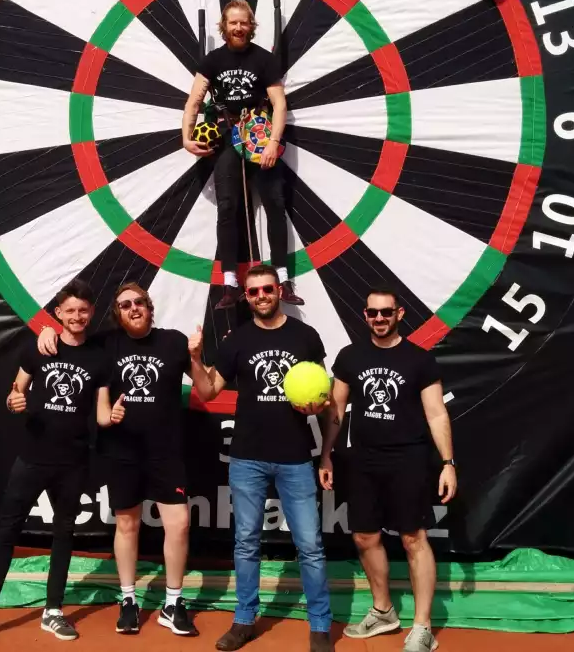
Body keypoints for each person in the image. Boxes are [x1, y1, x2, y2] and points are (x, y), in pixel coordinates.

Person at [0, 279, 110, 647]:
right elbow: (15, 392)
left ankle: (53, 611)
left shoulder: (99, 357)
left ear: (91, 312)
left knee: (64, 535)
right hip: (32, 458)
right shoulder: (38, 350)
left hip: (73, 462)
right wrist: (13, 401)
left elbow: (100, 414)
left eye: (83, 310)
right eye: (70, 311)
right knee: (6, 534)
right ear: (58, 314)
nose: (77, 316)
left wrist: (114, 415)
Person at [37, 283, 209, 637]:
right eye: (125, 304)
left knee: (178, 525)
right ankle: (128, 599)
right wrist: (46, 330)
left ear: (149, 306)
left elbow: (206, 391)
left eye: (139, 302)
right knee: (127, 525)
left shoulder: (174, 342)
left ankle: (173, 603)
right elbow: (71, 338)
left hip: (166, 451)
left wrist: (196, 356)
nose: (133, 308)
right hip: (121, 450)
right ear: (117, 313)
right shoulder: (106, 343)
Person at [188, 264, 332, 652]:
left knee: (310, 545)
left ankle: (320, 625)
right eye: (253, 292)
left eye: (267, 288)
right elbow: (208, 391)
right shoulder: (237, 340)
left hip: (296, 457)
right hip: (247, 457)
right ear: (246, 297)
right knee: (246, 542)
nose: (261, 296)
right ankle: (243, 620)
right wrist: (195, 359)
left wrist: (315, 406)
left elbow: (324, 397)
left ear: (279, 290)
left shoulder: (306, 336)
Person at [319, 287, 458, 652]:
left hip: (408, 459)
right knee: (364, 536)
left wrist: (448, 463)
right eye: (372, 313)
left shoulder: (419, 360)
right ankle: (383, 611)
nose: (379, 319)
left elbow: (436, 414)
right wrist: (326, 455)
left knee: (414, 538)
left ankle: (423, 626)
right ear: (364, 316)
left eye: (385, 313)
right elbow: (336, 411)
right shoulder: (350, 356)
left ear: (399, 314)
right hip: (362, 460)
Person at [182, 0, 304, 310]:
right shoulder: (212, 60)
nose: (238, 27)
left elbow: (279, 104)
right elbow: (194, 101)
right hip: (225, 137)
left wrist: (274, 143)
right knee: (227, 208)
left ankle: (283, 280)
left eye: (243, 22)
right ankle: (230, 284)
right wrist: (185, 138)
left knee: (275, 204)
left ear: (251, 26)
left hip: (258, 135)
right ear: (223, 27)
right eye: (232, 22)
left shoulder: (264, 60)